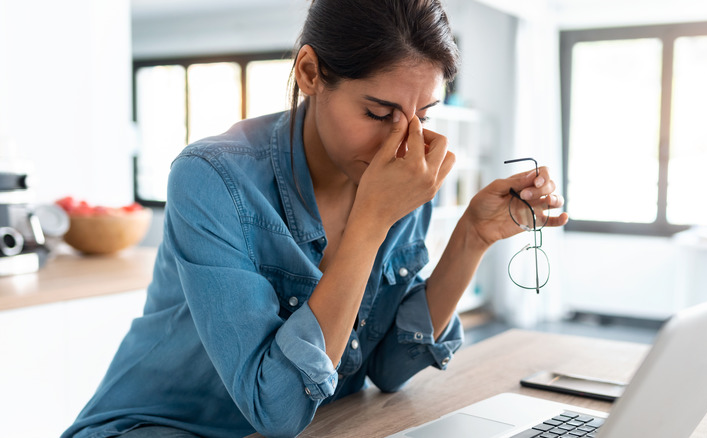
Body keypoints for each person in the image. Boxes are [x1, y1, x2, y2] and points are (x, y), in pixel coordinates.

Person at [62, 0, 567, 437]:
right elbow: (275, 408)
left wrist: (472, 237)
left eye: (425, 116)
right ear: (309, 73)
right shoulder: (212, 178)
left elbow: (390, 367)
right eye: (377, 112)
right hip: (157, 428)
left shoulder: (401, 174)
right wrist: (370, 222)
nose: (405, 145)